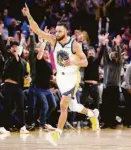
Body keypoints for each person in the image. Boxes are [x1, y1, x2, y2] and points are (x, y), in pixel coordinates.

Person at [22, 4, 99, 146]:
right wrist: (28, 15)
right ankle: (92, 114)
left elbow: (85, 62)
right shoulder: (53, 41)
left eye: (59, 31)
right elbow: (37, 30)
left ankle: (57, 134)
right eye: (55, 31)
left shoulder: (74, 44)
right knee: (73, 107)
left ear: (66, 32)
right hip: (60, 78)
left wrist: (72, 62)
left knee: (63, 105)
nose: (56, 33)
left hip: (72, 77)